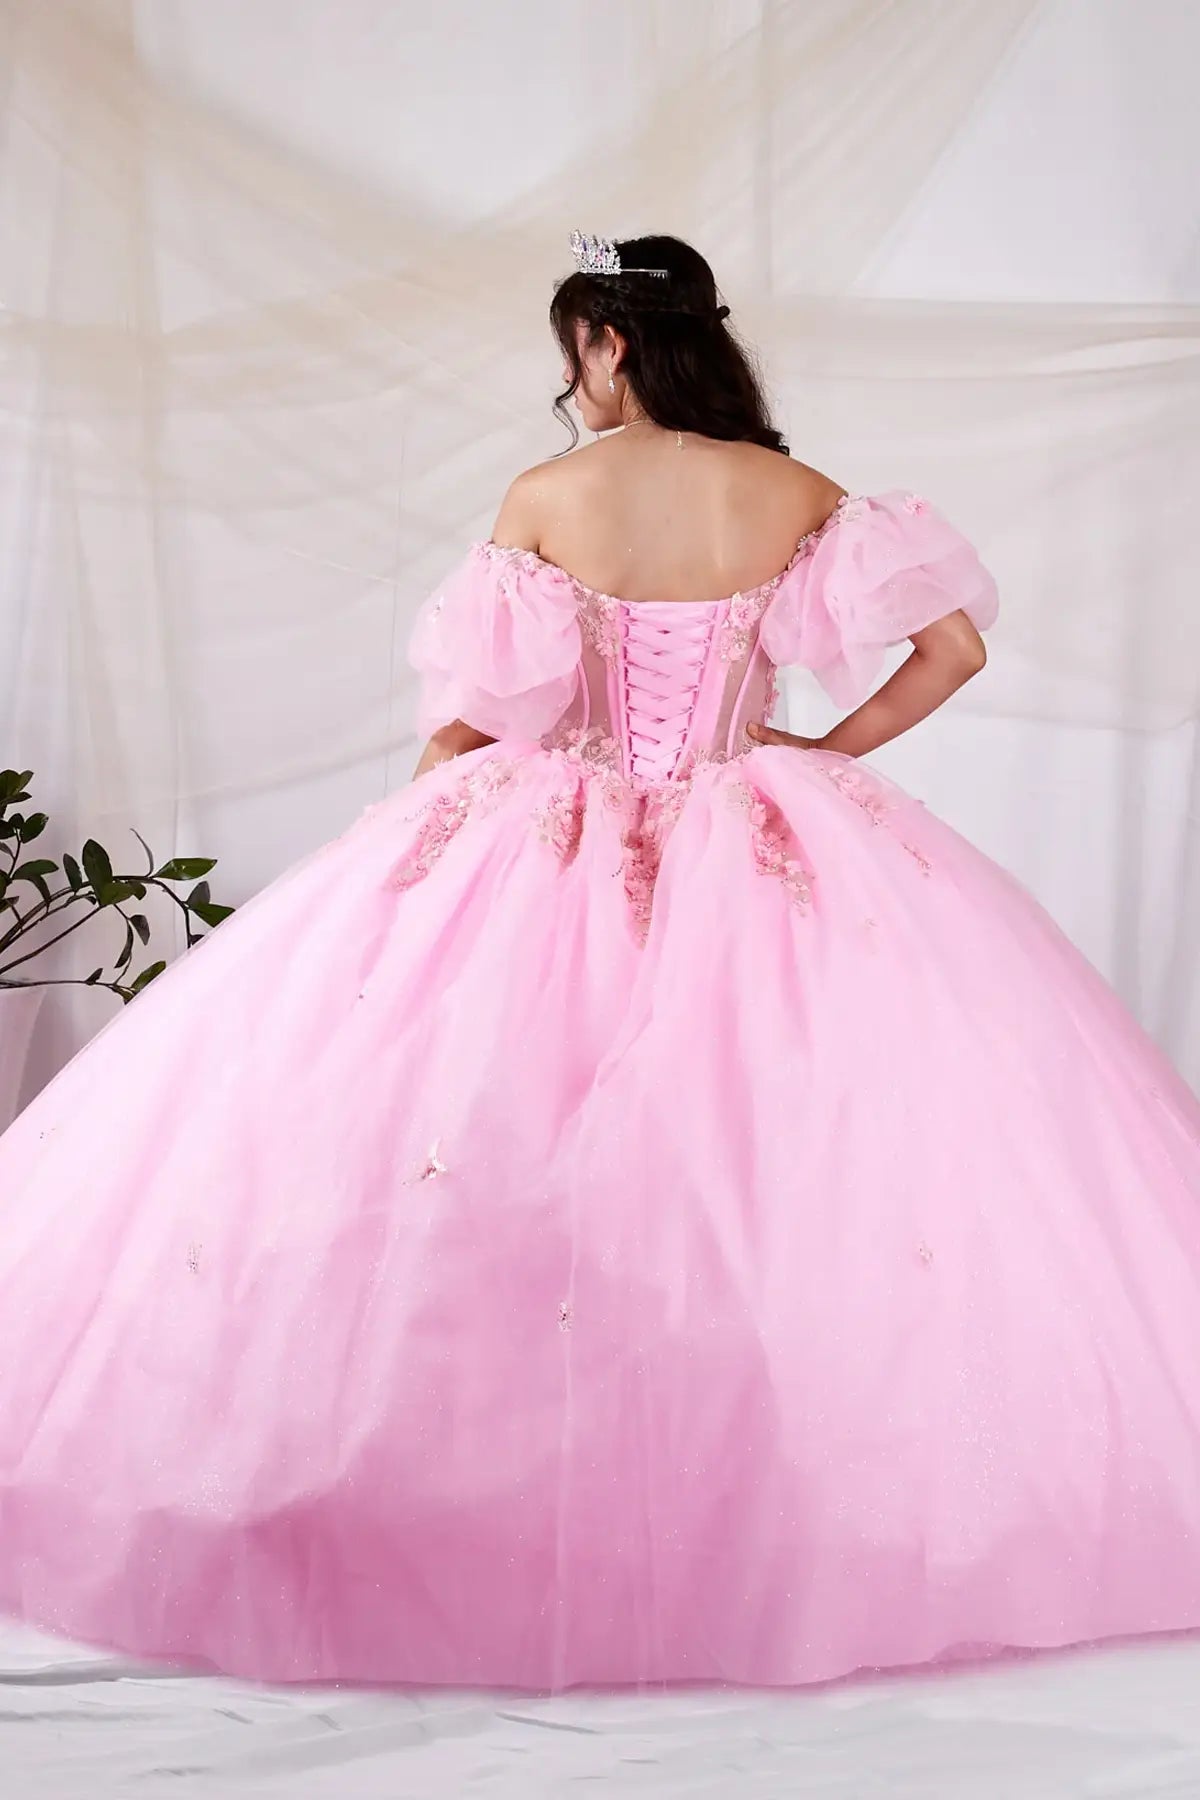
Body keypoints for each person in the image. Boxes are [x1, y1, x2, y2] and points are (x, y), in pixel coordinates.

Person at [1, 231, 1199, 1695]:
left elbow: (479, 707)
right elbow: (954, 648)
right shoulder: (795, 493)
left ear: (610, 342)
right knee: (771, 1150)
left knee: (488, 1131)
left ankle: (468, 1492)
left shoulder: (551, 493)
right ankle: (763, 1501)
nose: (569, 383)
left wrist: (414, 838)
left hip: (552, 839)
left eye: (572, 353)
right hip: (759, 832)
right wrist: (823, 752)